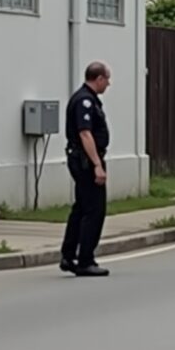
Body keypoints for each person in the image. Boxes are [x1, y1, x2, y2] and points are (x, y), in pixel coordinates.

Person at [60, 62, 112, 277]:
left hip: (82, 159)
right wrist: (97, 165)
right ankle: (85, 260)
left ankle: (69, 255)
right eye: (107, 79)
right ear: (98, 78)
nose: (108, 84)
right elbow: (85, 133)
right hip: (86, 161)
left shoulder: (85, 98)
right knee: (94, 210)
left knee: (81, 208)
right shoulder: (85, 101)